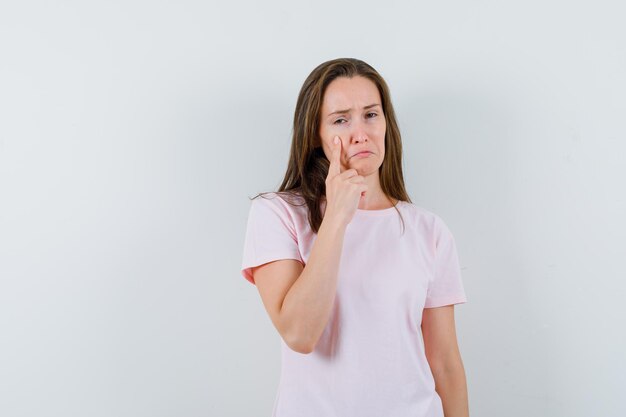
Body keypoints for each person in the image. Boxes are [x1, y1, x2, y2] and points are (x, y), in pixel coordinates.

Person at [240, 58, 469, 417]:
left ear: (386, 124)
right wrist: (337, 219)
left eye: (371, 115)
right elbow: (300, 334)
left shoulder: (429, 230)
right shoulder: (278, 214)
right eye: (341, 119)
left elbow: (445, 365)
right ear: (315, 134)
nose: (360, 132)